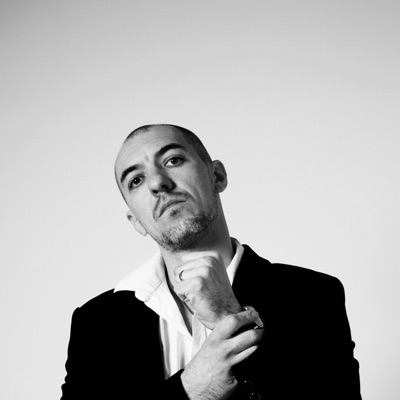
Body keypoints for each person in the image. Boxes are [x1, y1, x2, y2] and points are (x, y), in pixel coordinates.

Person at [61, 124, 361, 399]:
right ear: (136, 221)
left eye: (173, 160)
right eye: (136, 180)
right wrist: (190, 389)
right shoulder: (96, 324)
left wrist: (228, 315)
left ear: (216, 176)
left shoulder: (312, 294)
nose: (157, 183)